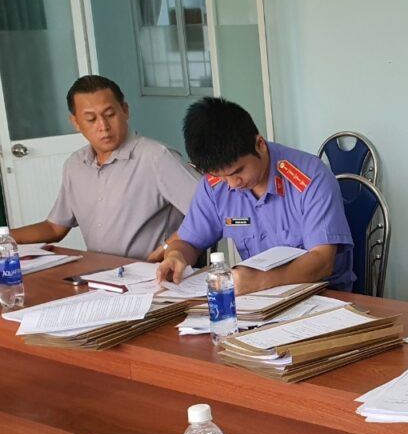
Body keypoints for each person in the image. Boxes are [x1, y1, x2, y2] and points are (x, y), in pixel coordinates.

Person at [156, 97, 354, 295]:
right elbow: (188, 242)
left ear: (260, 144)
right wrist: (176, 255)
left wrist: (260, 280)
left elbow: (322, 261)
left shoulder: (310, 178)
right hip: (257, 299)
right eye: (221, 177)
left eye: (238, 171)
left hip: (323, 295)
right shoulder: (214, 186)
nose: (232, 184)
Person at [11, 75, 198, 261]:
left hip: (150, 272)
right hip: (97, 273)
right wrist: (5, 237)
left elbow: (208, 211)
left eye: (110, 115)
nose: (103, 126)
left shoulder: (157, 157)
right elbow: (55, 228)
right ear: (75, 122)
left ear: (125, 110)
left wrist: (168, 247)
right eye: (91, 119)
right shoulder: (75, 165)